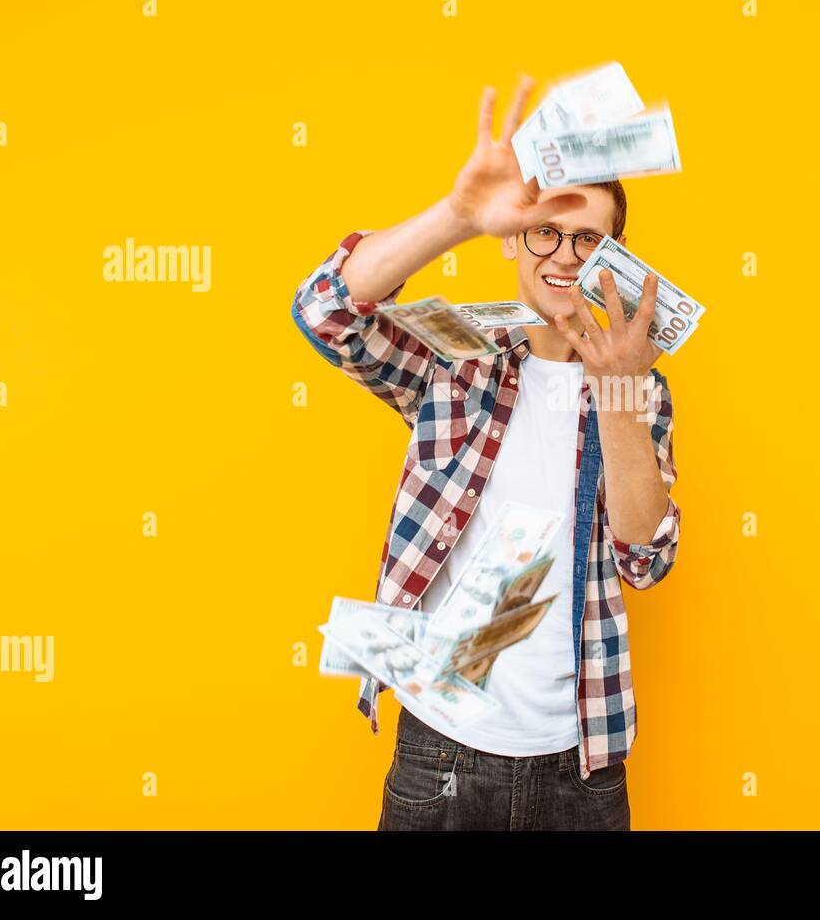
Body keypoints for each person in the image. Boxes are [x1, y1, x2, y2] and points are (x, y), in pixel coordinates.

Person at [290, 76, 681, 830]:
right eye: (546, 231)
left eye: (588, 238)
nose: (564, 255)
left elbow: (647, 560)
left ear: (615, 258)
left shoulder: (643, 388)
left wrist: (621, 396)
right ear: (514, 238)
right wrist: (459, 215)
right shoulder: (455, 362)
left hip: (583, 767)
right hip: (441, 758)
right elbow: (326, 311)